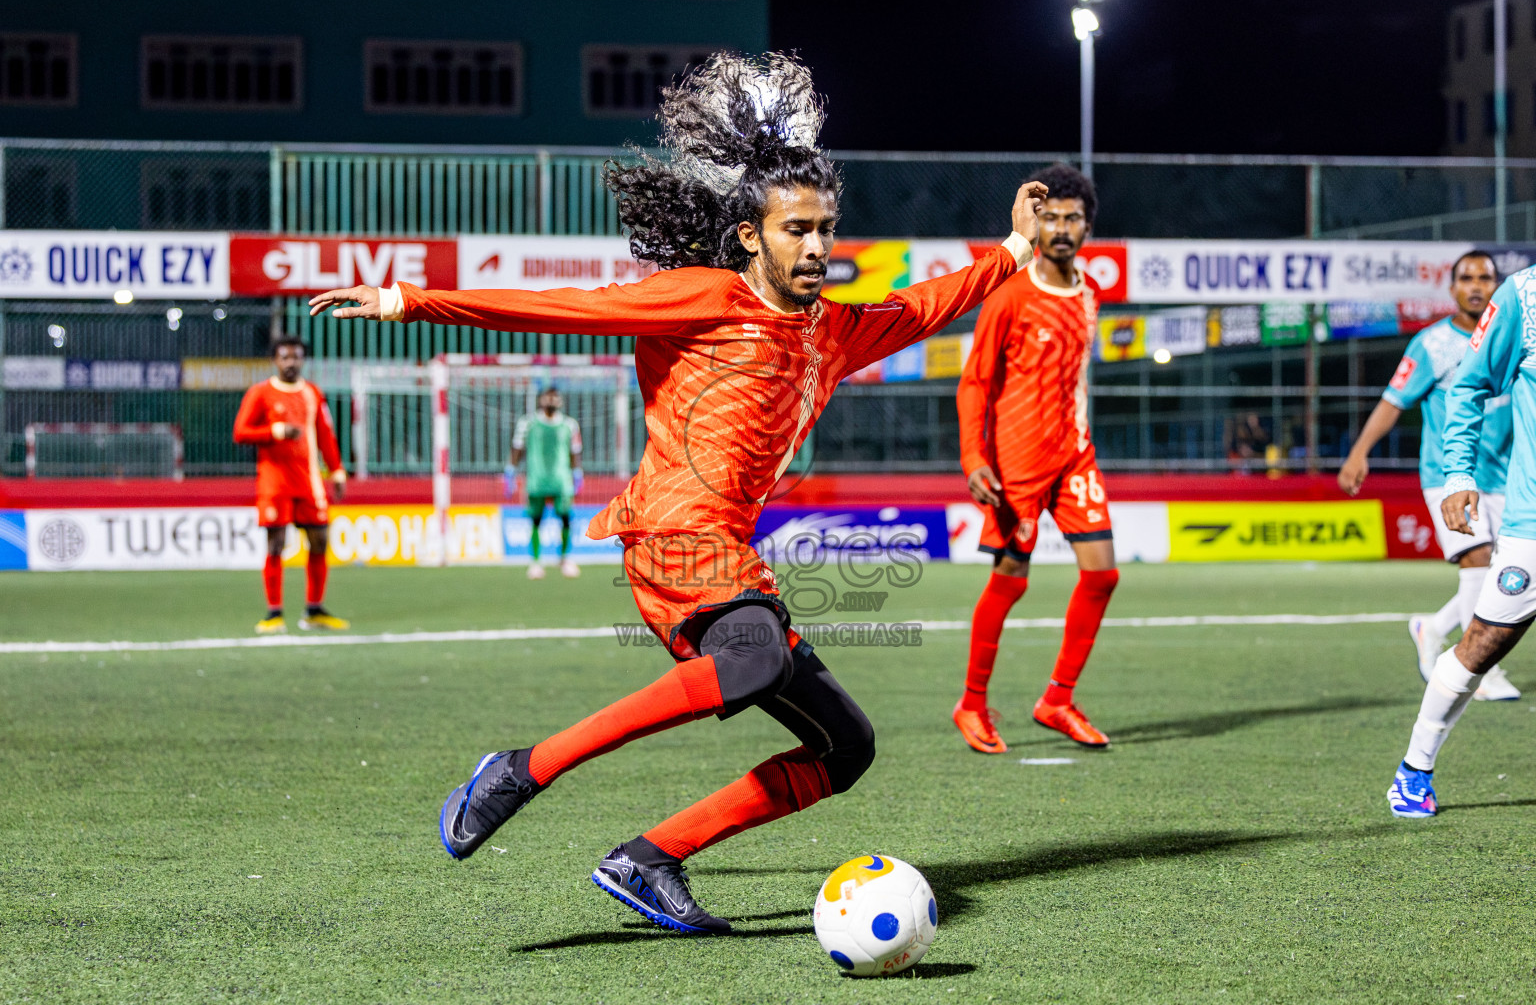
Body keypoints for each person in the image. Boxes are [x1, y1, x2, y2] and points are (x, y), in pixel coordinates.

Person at [308, 52, 1047, 934]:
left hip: (727, 551)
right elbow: (561, 310)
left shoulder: (835, 330)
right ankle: (520, 768)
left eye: (825, 229)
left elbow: (931, 303)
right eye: (795, 230)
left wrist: (1014, 246)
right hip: (671, 533)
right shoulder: (703, 298)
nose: (816, 247)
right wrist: (407, 302)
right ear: (749, 235)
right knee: (753, 660)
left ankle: (647, 860)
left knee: (846, 747)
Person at [951, 163, 1118, 754]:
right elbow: (974, 383)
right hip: (1015, 465)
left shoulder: (1090, 298)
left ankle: (1058, 699)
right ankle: (971, 705)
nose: (1063, 227)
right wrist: (975, 457)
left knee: (1103, 573)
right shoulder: (1010, 296)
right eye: (1051, 217)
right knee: (1010, 580)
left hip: (1074, 456)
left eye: (1074, 218)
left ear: (1087, 227)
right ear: (1036, 223)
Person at [1388, 261, 1536, 817]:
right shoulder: (1525, 295)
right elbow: (1469, 385)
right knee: (1481, 646)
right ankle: (1414, 769)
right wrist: (1459, 475)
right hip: (1532, 520)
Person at [1338, 251, 1519, 701]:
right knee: (1477, 561)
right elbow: (1393, 401)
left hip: (1505, 475)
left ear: (1499, 286)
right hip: (1449, 475)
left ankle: (1433, 626)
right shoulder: (1432, 344)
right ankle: (1482, 666)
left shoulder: (1511, 337)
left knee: (1506, 571)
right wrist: (1359, 452)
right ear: (1452, 288)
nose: (1476, 286)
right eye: (1466, 278)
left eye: (1485, 278)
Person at [231, 336, 349, 634]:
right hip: (275, 482)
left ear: (303, 360)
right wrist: (275, 431)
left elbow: (325, 434)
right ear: (275, 360)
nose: (290, 363)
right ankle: (274, 613)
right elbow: (241, 432)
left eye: (296, 357)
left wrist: (336, 469)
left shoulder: (312, 394)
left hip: (309, 481)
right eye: (285, 357)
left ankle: (314, 610)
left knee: (320, 541)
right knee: (276, 544)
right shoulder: (260, 393)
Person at [507, 387, 584, 579]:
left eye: (554, 396)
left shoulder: (569, 425)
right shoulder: (528, 422)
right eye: (547, 396)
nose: (551, 400)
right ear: (540, 399)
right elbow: (518, 448)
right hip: (537, 479)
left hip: (561, 480)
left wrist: (577, 472)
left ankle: (565, 558)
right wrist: (510, 471)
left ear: (560, 401)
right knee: (535, 519)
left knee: (565, 517)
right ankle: (535, 562)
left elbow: (574, 451)